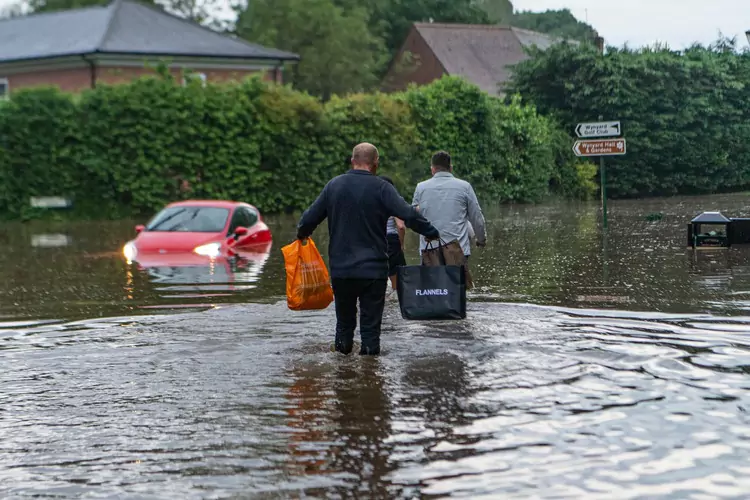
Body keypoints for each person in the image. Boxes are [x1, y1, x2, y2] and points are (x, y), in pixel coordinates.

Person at [296, 143, 439, 356]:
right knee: (371, 332)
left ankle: (343, 378)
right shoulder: (382, 188)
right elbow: (408, 215)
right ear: (375, 164)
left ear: (353, 161)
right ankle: (370, 378)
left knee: (344, 327)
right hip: (373, 272)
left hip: (342, 272)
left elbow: (308, 219)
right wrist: (430, 231)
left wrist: (302, 234)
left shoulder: (334, 186)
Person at [411, 150, 487, 267]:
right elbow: (477, 218)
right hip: (458, 250)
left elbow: (413, 218)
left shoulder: (421, 188)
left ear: (432, 169)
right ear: (451, 168)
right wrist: (481, 240)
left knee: (433, 284)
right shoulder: (465, 187)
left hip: (430, 250)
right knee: (457, 284)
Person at [379, 176, 406, 293]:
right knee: (397, 285)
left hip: (375, 239)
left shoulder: (372, 200)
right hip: (391, 240)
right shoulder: (395, 201)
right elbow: (401, 226)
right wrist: (401, 244)